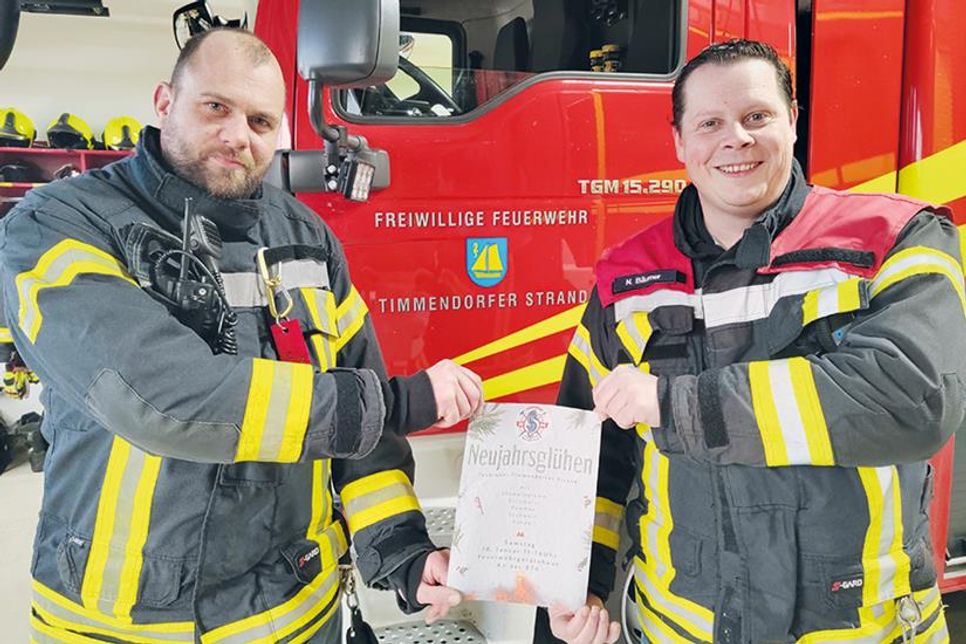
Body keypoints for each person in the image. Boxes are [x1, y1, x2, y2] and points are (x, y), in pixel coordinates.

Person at [0, 28, 483, 643]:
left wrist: (402, 551)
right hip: (124, 628)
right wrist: (400, 401)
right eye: (215, 107)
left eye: (260, 121)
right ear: (165, 102)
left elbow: (363, 434)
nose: (238, 136)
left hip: (296, 617)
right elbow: (163, 399)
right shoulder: (59, 224)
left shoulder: (307, 238)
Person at [547, 39, 964, 643]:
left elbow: (913, 401)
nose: (735, 139)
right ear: (679, 142)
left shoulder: (896, 238)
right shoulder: (625, 278)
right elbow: (588, 454)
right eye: (710, 123)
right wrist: (576, 584)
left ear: (792, 121)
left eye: (756, 116)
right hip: (676, 629)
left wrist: (672, 404)